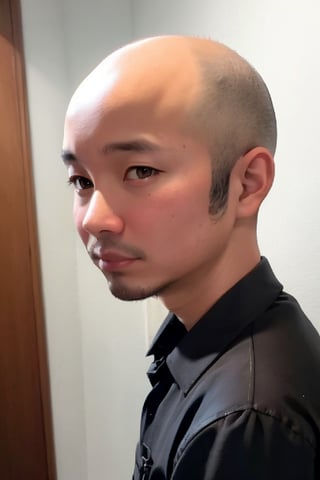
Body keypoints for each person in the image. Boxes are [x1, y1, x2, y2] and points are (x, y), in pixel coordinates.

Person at [62, 35, 320, 479]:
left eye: (140, 171)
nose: (94, 219)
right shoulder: (201, 341)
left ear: (247, 184)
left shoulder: (243, 422)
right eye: (82, 181)